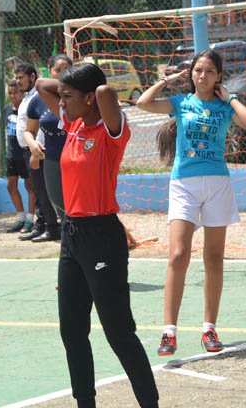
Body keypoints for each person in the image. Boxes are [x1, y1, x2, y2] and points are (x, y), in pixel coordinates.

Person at [36, 63, 159, 408]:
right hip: (71, 235)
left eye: (68, 97)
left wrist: (87, 86)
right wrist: (69, 86)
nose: (61, 103)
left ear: (90, 98)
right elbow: (43, 85)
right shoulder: (73, 125)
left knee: (118, 332)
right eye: (61, 98)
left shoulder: (110, 131)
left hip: (102, 235)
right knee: (72, 330)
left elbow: (106, 92)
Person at [136, 50, 246, 357]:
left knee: (214, 258)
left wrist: (230, 98)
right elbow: (143, 103)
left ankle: (209, 328)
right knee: (178, 254)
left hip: (217, 183)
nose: (202, 76)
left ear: (219, 76)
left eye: (209, 71)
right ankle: (169, 331)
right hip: (184, 184)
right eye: (198, 70)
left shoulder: (225, 106)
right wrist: (166, 81)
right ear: (191, 74)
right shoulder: (180, 103)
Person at [24, 56, 71, 242]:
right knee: (58, 203)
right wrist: (32, 144)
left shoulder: (77, 97)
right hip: (52, 159)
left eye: (66, 70)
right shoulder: (37, 100)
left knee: (77, 202)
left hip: (75, 157)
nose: (62, 74)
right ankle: (69, 239)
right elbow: (29, 131)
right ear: (50, 71)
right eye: (58, 70)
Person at [15, 63, 48, 241]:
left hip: (36, 150)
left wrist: (36, 150)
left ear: (33, 77)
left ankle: (44, 226)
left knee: (41, 190)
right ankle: (42, 224)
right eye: (16, 78)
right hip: (26, 150)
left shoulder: (39, 96)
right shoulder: (26, 97)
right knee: (36, 188)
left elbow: (41, 126)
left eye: (21, 77)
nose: (17, 81)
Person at [4, 80, 36, 233]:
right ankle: (21, 217)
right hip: (12, 154)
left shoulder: (26, 109)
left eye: (16, 92)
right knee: (11, 185)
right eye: (10, 93)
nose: (13, 96)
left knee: (30, 186)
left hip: (25, 152)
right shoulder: (7, 109)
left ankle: (30, 219)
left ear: (22, 93)